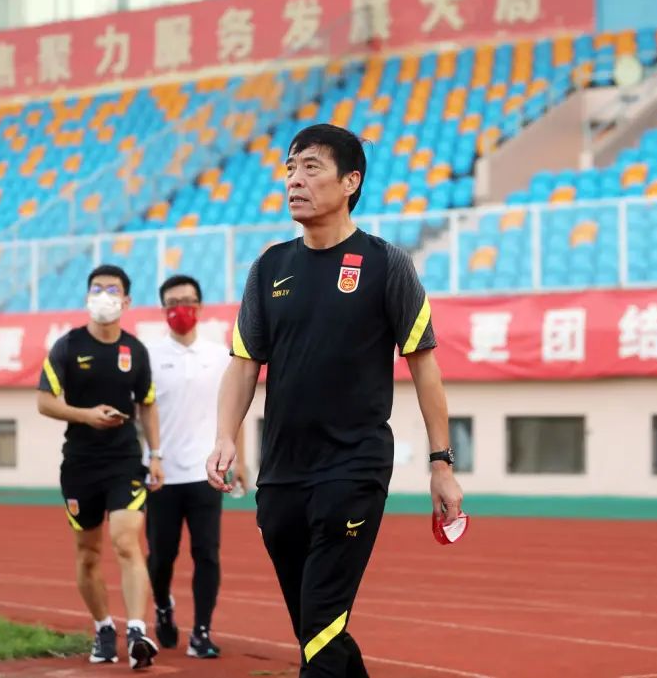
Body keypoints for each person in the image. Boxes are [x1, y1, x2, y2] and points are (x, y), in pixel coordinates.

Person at [206, 123, 464, 677]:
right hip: (282, 474)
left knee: (320, 623)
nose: (294, 181)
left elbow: (425, 366)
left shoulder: (386, 263)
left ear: (351, 182)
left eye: (311, 167)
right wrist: (225, 435)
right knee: (317, 629)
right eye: (290, 169)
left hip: (353, 467)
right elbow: (244, 363)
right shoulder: (269, 268)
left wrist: (441, 465)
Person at [37, 264, 163, 670]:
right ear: (87, 297)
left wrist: (156, 455)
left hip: (124, 461)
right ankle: (104, 627)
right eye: (97, 289)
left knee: (126, 541)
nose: (104, 296)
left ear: (126, 301)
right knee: (88, 553)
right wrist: (86, 415)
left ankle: (137, 630)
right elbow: (44, 401)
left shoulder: (135, 350)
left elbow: (147, 403)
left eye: (112, 290)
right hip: (80, 464)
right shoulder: (67, 346)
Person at [144, 274, 248, 658]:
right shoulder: (148, 356)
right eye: (172, 303)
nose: (180, 310)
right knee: (161, 556)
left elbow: (234, 409)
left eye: (187, 302)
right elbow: (140, 412)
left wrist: (241, 458)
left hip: (206, 474)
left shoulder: (219, 356)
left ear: (200, 307)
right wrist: (149, 457)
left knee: (207, 554)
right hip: (162, 475)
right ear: (163, 309)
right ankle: (163, 606)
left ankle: (202, 631)